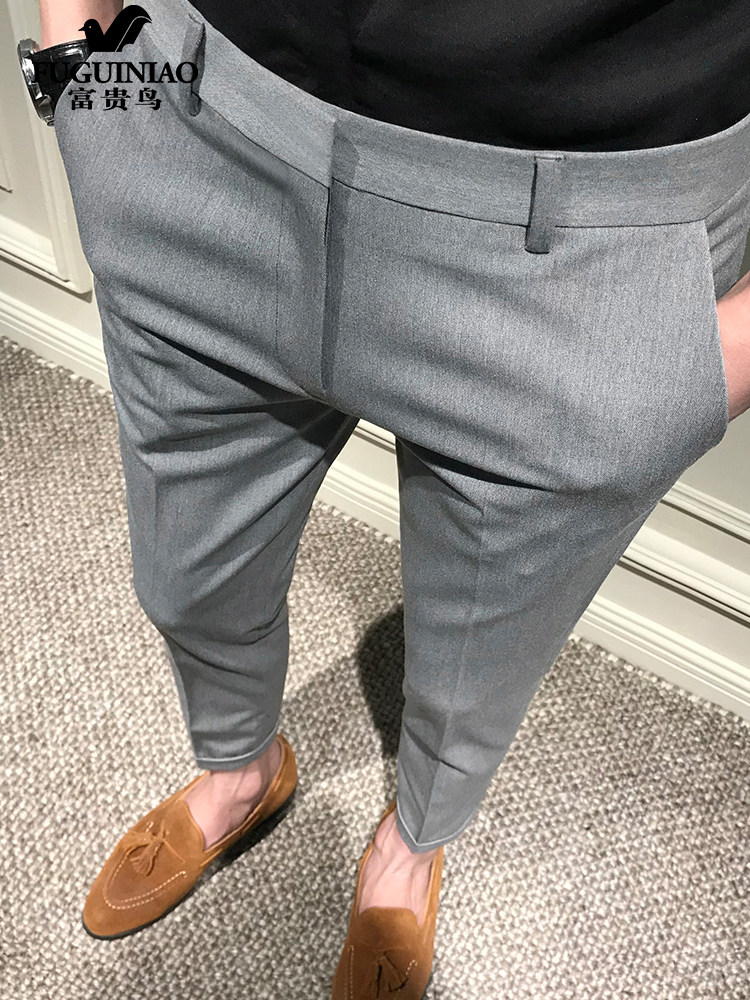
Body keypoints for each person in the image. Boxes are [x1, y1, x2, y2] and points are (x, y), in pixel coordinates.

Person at [28, 0, 750, 996]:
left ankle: (412, 848)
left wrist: (689, 370)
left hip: (591, 244)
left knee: (475, 674)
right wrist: (79, 63)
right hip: (207, 132)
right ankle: (240, 771)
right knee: (186, 579)